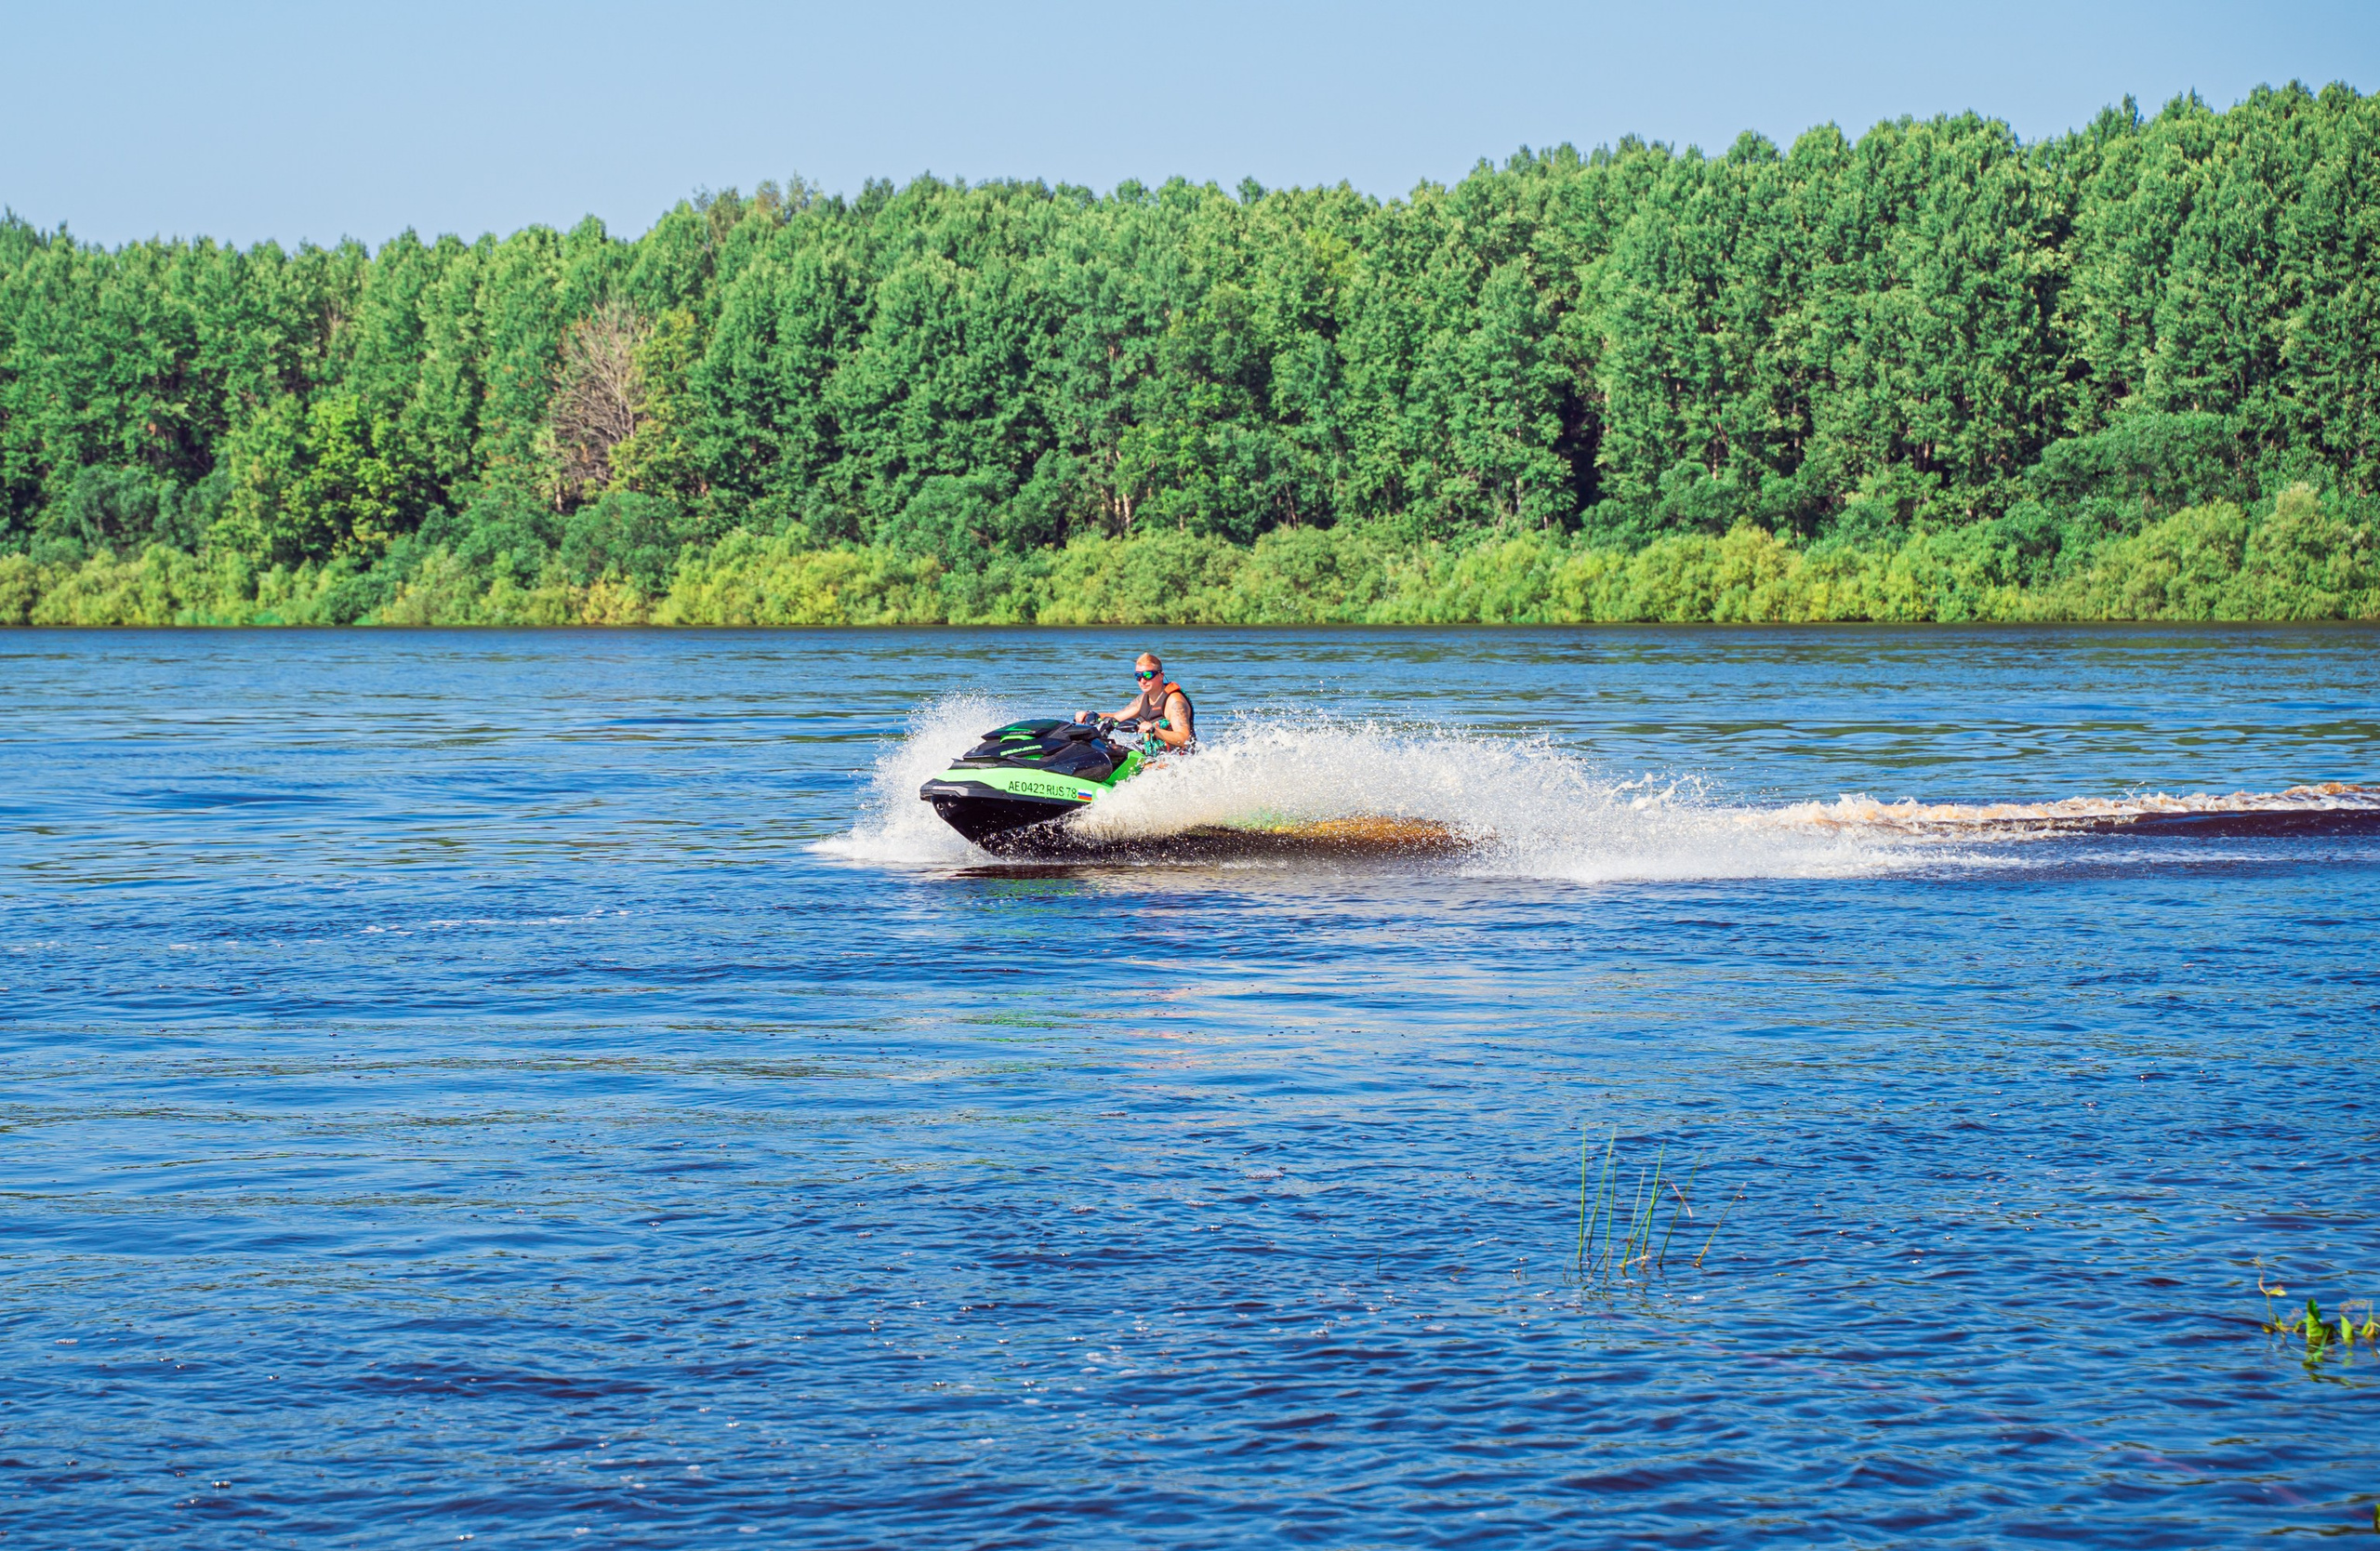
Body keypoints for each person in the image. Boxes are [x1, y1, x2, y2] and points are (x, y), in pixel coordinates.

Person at [1076, 651, 1195, 750]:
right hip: (1154, 758)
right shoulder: (1143, 699)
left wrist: (1153, 730)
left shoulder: (1174, 701)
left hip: (1177, 761)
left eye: (1148, 675)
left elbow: (1185, 739)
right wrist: (1091, 715)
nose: (1142, 681)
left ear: (1161, 675)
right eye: (1138, 676)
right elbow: (1116, 717)